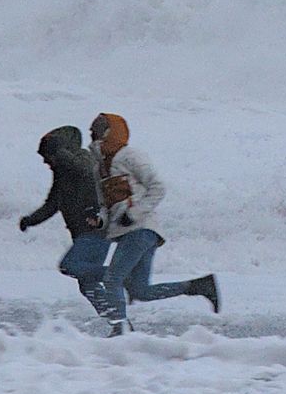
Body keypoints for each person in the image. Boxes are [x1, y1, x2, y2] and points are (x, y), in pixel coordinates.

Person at [84, 110, 219, 330]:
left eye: (97, 130)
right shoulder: (99, 166)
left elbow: (158, 188)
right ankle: (198, 286)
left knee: (112, 280)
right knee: (140, 291)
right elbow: (104, 204)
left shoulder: (130, 156)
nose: (93, 134)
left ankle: (120, 330)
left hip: (141, 229)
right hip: (130, 232)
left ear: (111, 133)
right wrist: (99, 220)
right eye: (92, 131)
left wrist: (133, 214)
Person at [15, 124, 117, 324]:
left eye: (47, 156)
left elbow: (89, 176)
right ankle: (119, 323)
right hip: (83, 233)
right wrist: (31, 220)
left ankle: (119, 272)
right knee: (87, 285)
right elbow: (53, 203)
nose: (45, 161)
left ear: (59, 152)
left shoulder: (83, 159)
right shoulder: (62, 173)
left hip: (96, 230)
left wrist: (60, 155)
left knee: (69, 266)